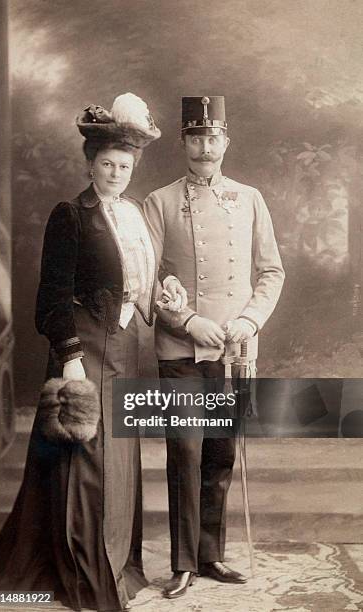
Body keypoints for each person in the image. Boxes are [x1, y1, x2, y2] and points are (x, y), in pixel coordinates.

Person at [0, 93, 184, 612]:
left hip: (126, 348)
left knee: (119, 457)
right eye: (107, 165)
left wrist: (164, 292)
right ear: (90, 165)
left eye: (124, 165)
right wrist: (69, 356)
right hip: (85, 349)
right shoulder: (70, 215)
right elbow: (50, 299)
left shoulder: (136, 214)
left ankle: (119, 564)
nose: (117, 172)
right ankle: (83, 572)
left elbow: (138, 281)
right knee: (86, 462)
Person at [144, 95, 285, 599]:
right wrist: (188, 321)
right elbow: (145, 280)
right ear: (184, 142)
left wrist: (248, 321)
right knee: (185, 450)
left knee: (220, 453)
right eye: (196, 138)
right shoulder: (158, 202)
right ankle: (182, 563)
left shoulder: (250, 198)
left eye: (213, 138)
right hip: (181, 350)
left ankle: (210, 555)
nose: (205, 147)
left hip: (233, 350)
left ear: (227, 142)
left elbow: (270, 272)